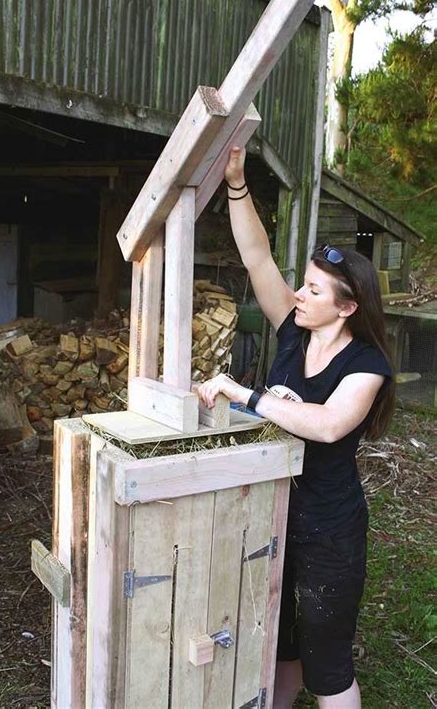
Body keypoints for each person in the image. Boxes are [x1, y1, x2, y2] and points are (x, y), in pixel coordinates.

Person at [197, 147, 395, 709]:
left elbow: (330, 425)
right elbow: (257, 256)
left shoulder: (367, 367)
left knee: (327, 668)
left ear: (348, 307)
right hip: (274, 516)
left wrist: (250, 395)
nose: (300, 294)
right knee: (278, 649)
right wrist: (237, 184)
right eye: (303, 284)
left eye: (313, 290)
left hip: (329, 532)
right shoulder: (293, 330)